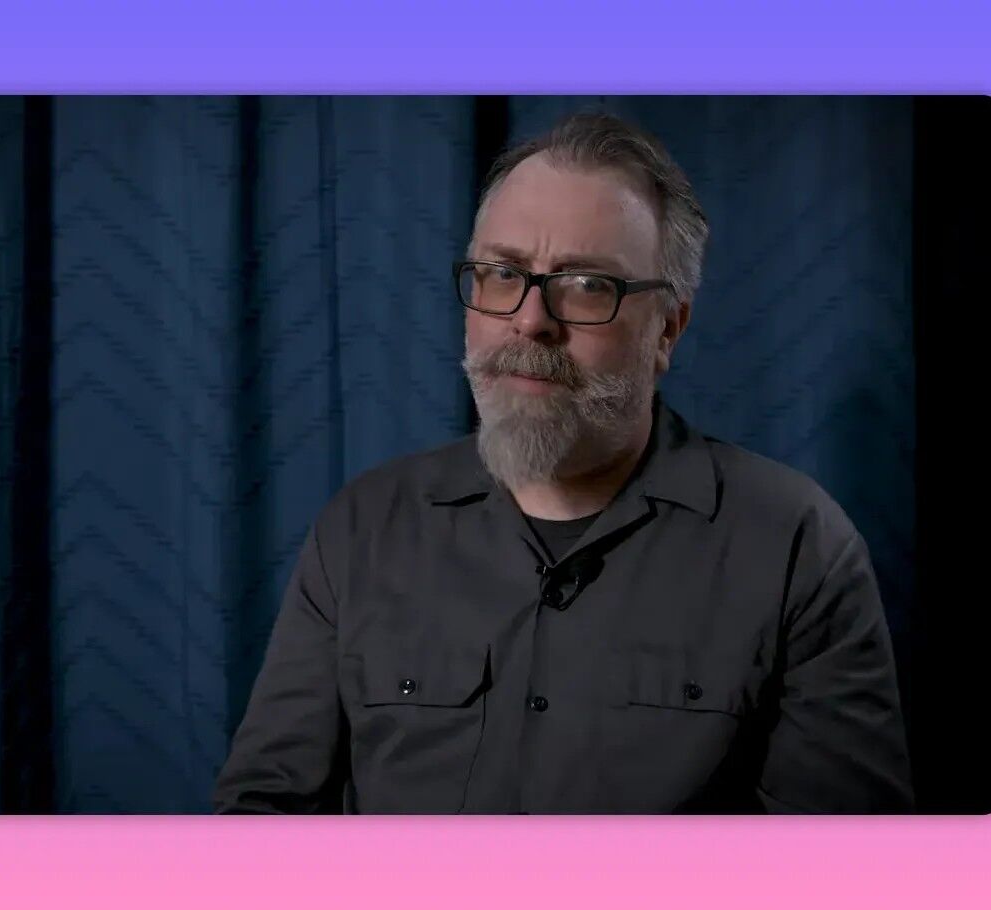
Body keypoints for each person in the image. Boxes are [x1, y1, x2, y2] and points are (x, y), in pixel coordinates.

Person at [212, 112, 914, 814]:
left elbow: (850, 871)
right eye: (503, 274)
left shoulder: (796, 546)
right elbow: (261, 828)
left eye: (585, 285)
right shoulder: (362, 528)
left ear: (667, 328)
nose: (530, 320)